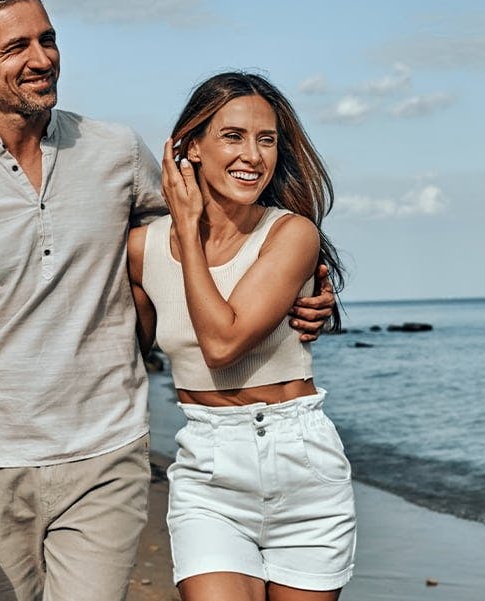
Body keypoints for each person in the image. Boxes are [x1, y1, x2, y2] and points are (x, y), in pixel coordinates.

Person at [0, 0, 334, 601]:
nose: (42, 60)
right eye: (17, 48)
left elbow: (203, 241)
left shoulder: (115, 152)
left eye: (48, 39)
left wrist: (304, 293)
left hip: (109, 450)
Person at [127, 72, 356, 601]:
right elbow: (119, 352)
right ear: (190, 147)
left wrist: (185, 230)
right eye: (233, 136)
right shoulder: (140, 250)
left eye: (266, 139)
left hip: (303, 467)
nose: (252, 155)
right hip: (209, 469)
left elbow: (223, 343)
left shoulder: (292, 234)